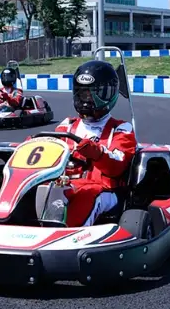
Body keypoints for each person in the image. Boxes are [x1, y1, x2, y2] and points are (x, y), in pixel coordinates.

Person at [43, 60, 137, 227]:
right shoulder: (67, 125)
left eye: (92, 93)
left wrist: (96, 152)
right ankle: (5, 220)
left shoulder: (120, 128)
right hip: (66, 184)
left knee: (87, 194)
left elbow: (117, 165)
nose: (86, 99)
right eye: (82, 93)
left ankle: (68, 233)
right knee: (42, 188)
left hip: (104, 189)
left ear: (107, 94)